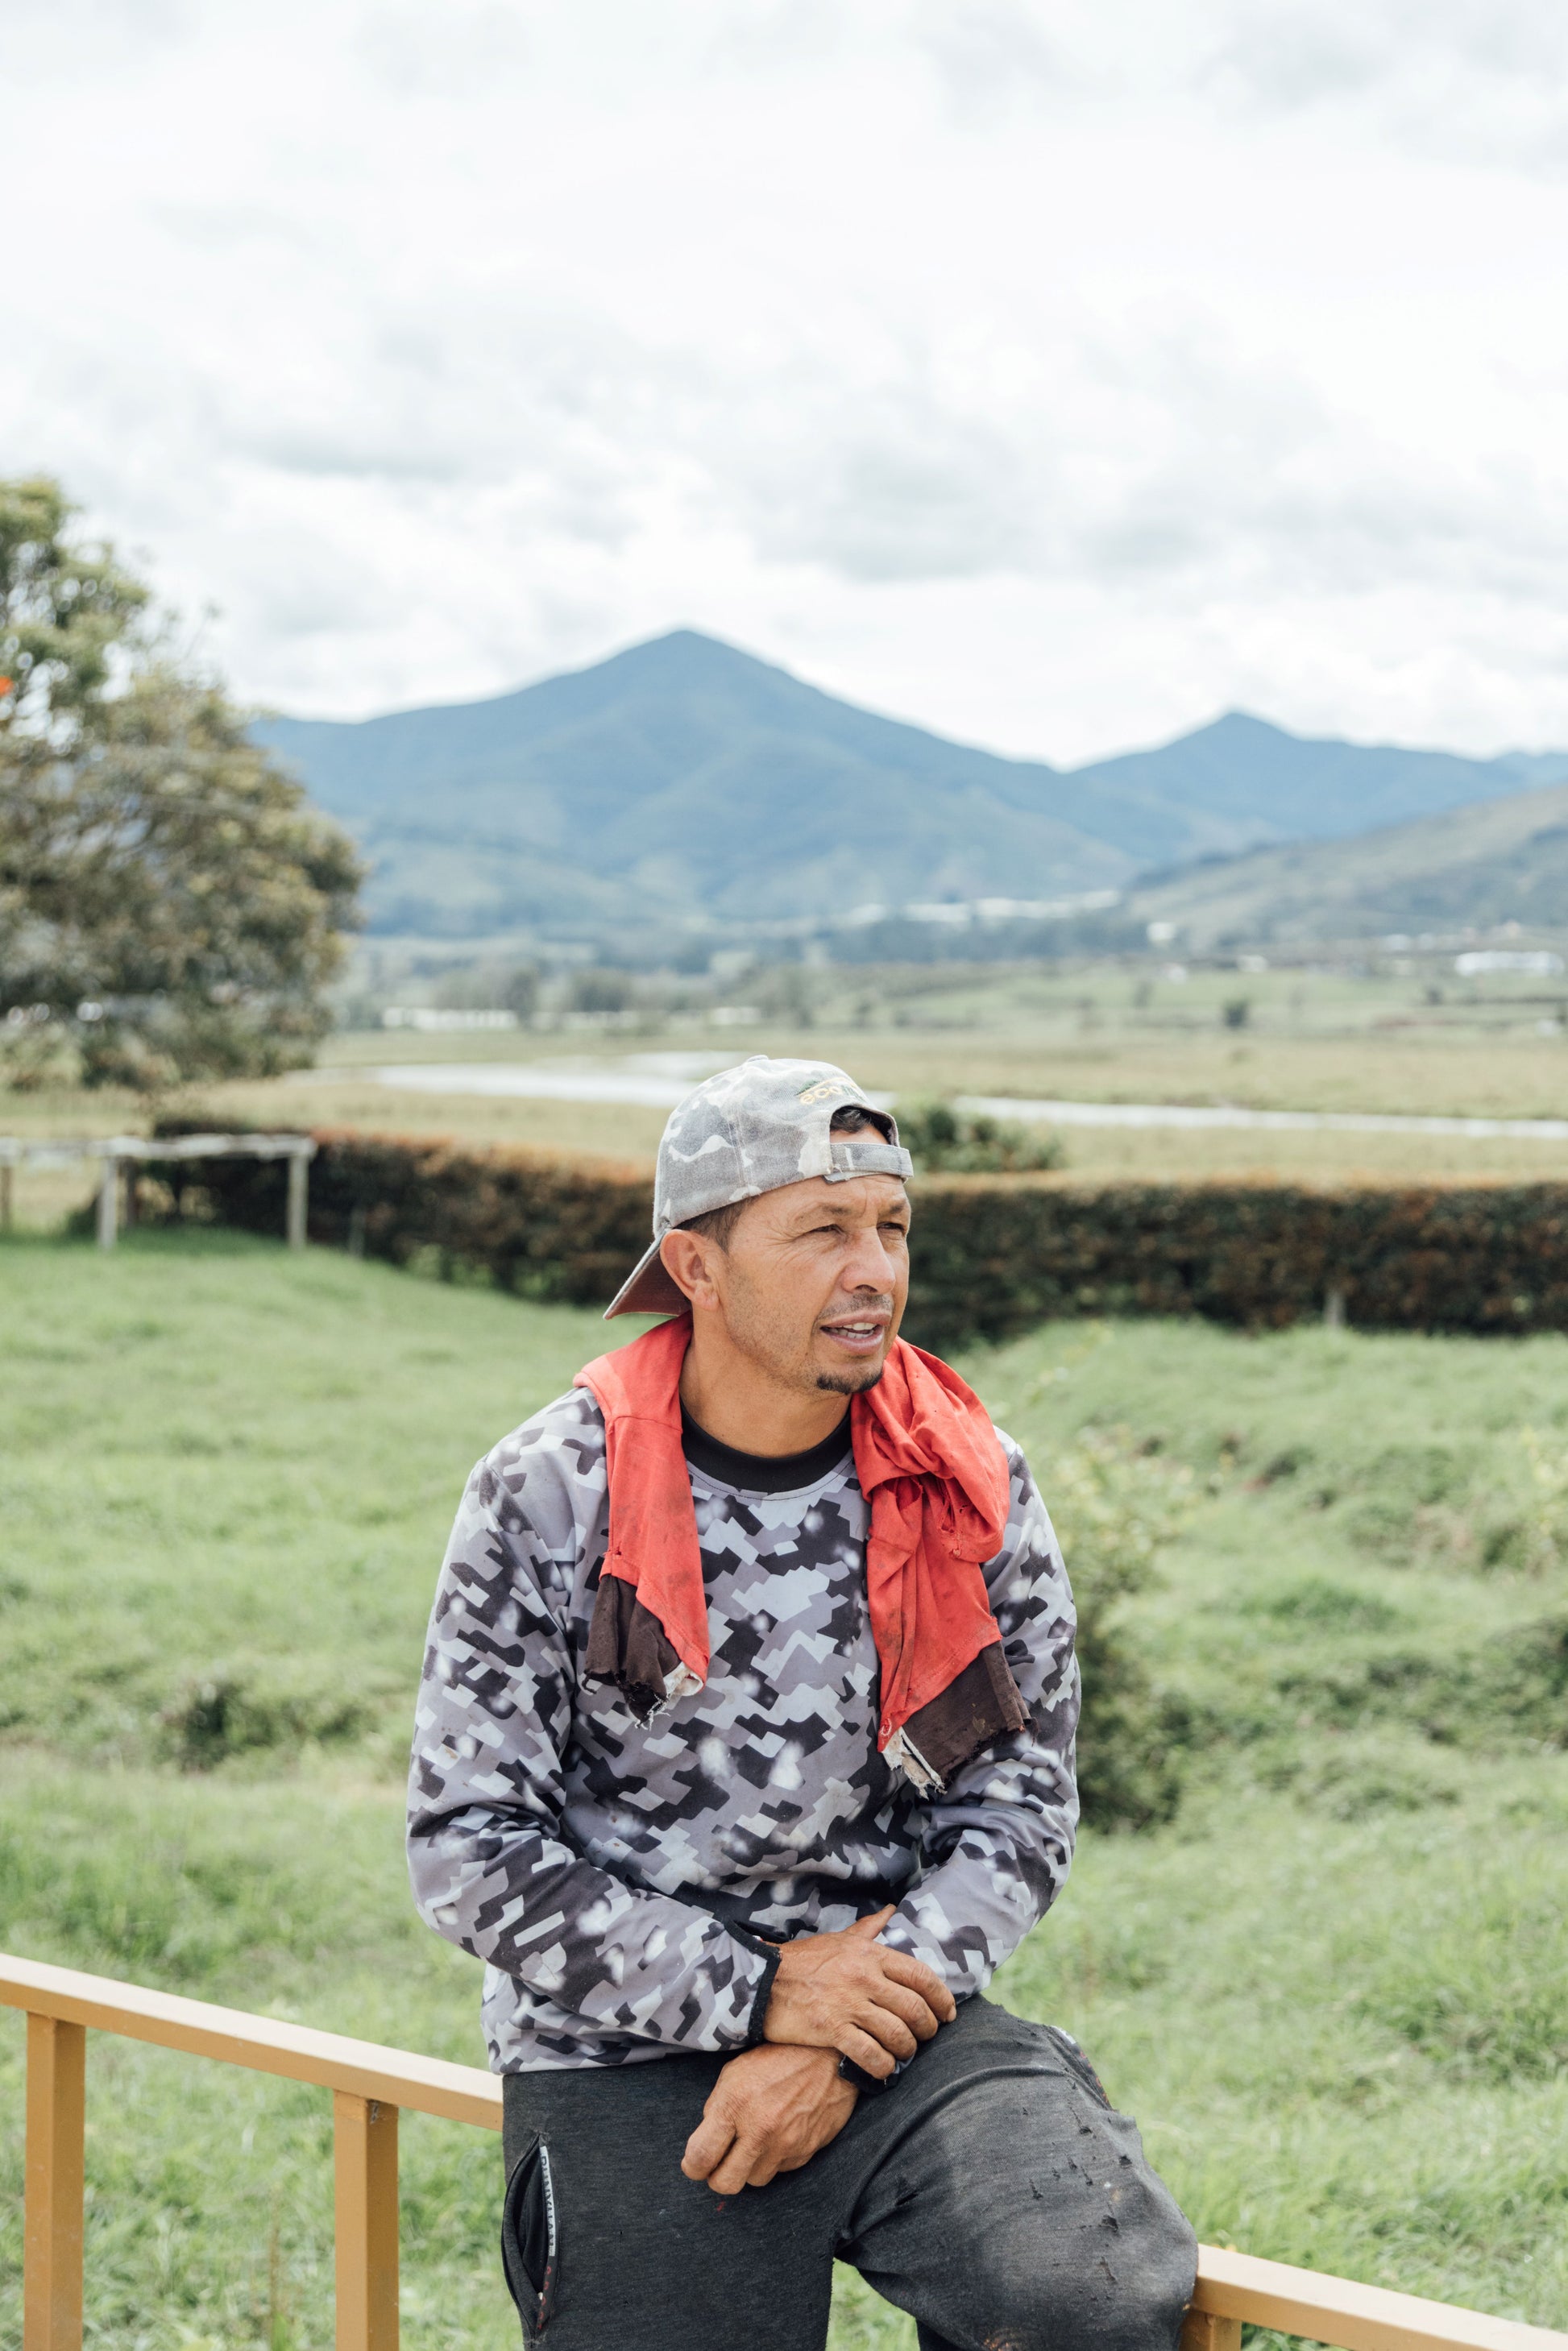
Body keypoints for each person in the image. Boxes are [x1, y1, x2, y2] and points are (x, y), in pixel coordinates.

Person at [408, 1055, 1196, 2351]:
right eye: (822, 1229)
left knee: (1087, 2293)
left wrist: (833, 2035)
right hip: (624, 2040)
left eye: (891, 1225)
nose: (873, 1269)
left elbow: (1019, 1805)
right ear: (696, 1265)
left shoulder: (968, 1477)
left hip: (900, 2008)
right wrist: (759, 1992)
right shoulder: (549, 1490)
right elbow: (468, 1848)